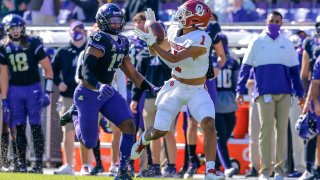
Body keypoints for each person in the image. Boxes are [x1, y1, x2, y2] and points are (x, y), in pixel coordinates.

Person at [131, 1, 225, 179]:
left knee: (209, 125)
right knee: (160, 130)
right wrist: (154, 37)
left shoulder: (202, 38)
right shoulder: (175, 29)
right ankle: (143, 140)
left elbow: (174, 60)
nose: (179, 16)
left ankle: (210, 170)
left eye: (185, 14)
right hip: (176, 86)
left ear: (194, 21)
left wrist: (155, 44)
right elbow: (156, 52)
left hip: (197, 88)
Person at [66, 3, 158, 179]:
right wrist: (99, 86)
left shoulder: (123, 41)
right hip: (88, 92)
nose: (116, 24)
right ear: (102, 21)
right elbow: (85, 70)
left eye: (118, 20)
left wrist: (150, 87)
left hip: (107, 92)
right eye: (112, 21)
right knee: (89, 142)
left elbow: (131, 71)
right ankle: (75, 115)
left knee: (129, 126)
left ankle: (123, 170)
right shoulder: (98, 38)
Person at [236, 11, 304, 180]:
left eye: (277, 21)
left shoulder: (287, 43)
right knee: (265, 132)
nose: (274, 23)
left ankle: (280, 171)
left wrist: (300, 94)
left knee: (282, 132)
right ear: (266, 22)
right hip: (264, 93)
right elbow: (245, 68)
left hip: (285, 94)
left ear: (281, 24)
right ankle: (265, 171)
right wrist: (239, 90)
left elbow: (295, 72)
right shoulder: (256, 42)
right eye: (271, 20)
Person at [0, 14, 53, 173]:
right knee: (18, 128)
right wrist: (4, 98)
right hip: (15, 89)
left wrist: (48, 92)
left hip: (33, 88)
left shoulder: (33, 42)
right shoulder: (3, 47)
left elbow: (48, 69)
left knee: (36, 126)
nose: (15, 31)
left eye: (18, 27)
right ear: (7, 29)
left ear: (23, 28)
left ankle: (38, 163)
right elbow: (3, 75)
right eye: (12, 28)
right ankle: (20, 163)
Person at [130, 15, 177, 177]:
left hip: (169, 97)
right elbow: (138, 77)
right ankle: (155, 165)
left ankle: (171, 165)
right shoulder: (144, 54)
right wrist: (135, 98)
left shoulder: (170, 53)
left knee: (169, 132)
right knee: (152, 133)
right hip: (150, 98)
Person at [182, 12, 226, 179]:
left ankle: (210, 167)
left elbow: (222, 57)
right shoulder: (183, 30)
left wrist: (218, 68)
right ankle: (192, 163)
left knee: (209, 122)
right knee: (192, 123)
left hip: (207, 81)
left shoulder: (211, 30)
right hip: (190, 79)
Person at [51, 20, 86, 175]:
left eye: (79, 29)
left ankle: (87, 165)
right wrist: (59, 83)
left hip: (87, 96)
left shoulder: (91, 49)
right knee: (68, 131)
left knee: (87, 131)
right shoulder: (63, 51)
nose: (77, 32)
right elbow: (50, 70)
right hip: (67, 96)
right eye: (74, 29)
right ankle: (69, 165)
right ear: (69, 32)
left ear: (84, 31)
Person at [213, 33, 239, 178]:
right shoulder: (210, 59)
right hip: (215, 101)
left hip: (229, 101)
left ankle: (216, 165)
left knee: (224, 135)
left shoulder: (233, 62)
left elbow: (236, 81)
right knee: (220, 136)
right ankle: (227, 166)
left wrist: (237, 94)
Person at [298, 19, 320, 180]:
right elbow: (305, 72)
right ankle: (309, 168)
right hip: (315, 90)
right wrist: (305, 96)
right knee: (311, 129)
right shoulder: (310, 43)